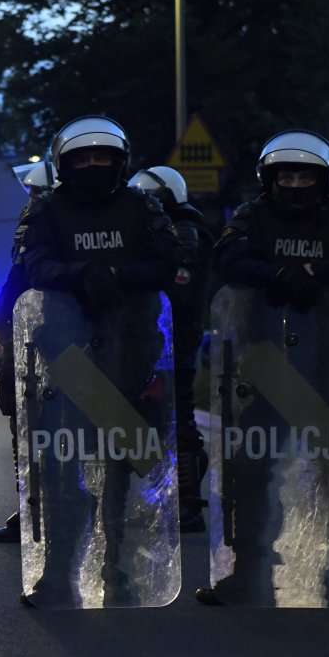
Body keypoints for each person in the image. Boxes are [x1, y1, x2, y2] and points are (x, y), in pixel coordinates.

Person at [197, 131, 329, 605]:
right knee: (250, 470)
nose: (296, 184)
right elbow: (228, 260)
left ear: (324, 180)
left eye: (305, 176)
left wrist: (317, 275)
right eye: (287, 176)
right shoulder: (250, 218)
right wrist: (277, 275)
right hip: (266, 366)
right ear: (269, 179)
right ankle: (247, 568)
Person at [12, 115, 179, 606]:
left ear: (120, 161)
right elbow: (31, 266)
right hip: (67, 363)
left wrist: (116, 276)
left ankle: (119, 572)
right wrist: (81, 274)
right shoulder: (45, 210)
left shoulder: (143, 207)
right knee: (64, 471)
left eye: (101, 157)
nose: (91, 164)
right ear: (64, 164)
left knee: (123, 474)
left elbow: (168, 262)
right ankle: (58, 573)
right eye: (81, 158)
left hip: (132, 355)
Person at [128, 165, 215, 533]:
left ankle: (188, 503)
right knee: (165, 417)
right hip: (164, 337)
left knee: (177, 418)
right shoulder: (173, 231)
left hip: (173, 338)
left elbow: (177, 291)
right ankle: (173, 497)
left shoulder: (184, 235)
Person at [0, 160, 55, 544]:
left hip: (63, 346)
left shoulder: (62, 223)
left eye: (36, 191)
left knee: (69, 435)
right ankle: (31, 507)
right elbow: (17, 280)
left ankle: (81, 510)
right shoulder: (32, 224)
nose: (31, 198)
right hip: (27, 346)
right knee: (26, 433)